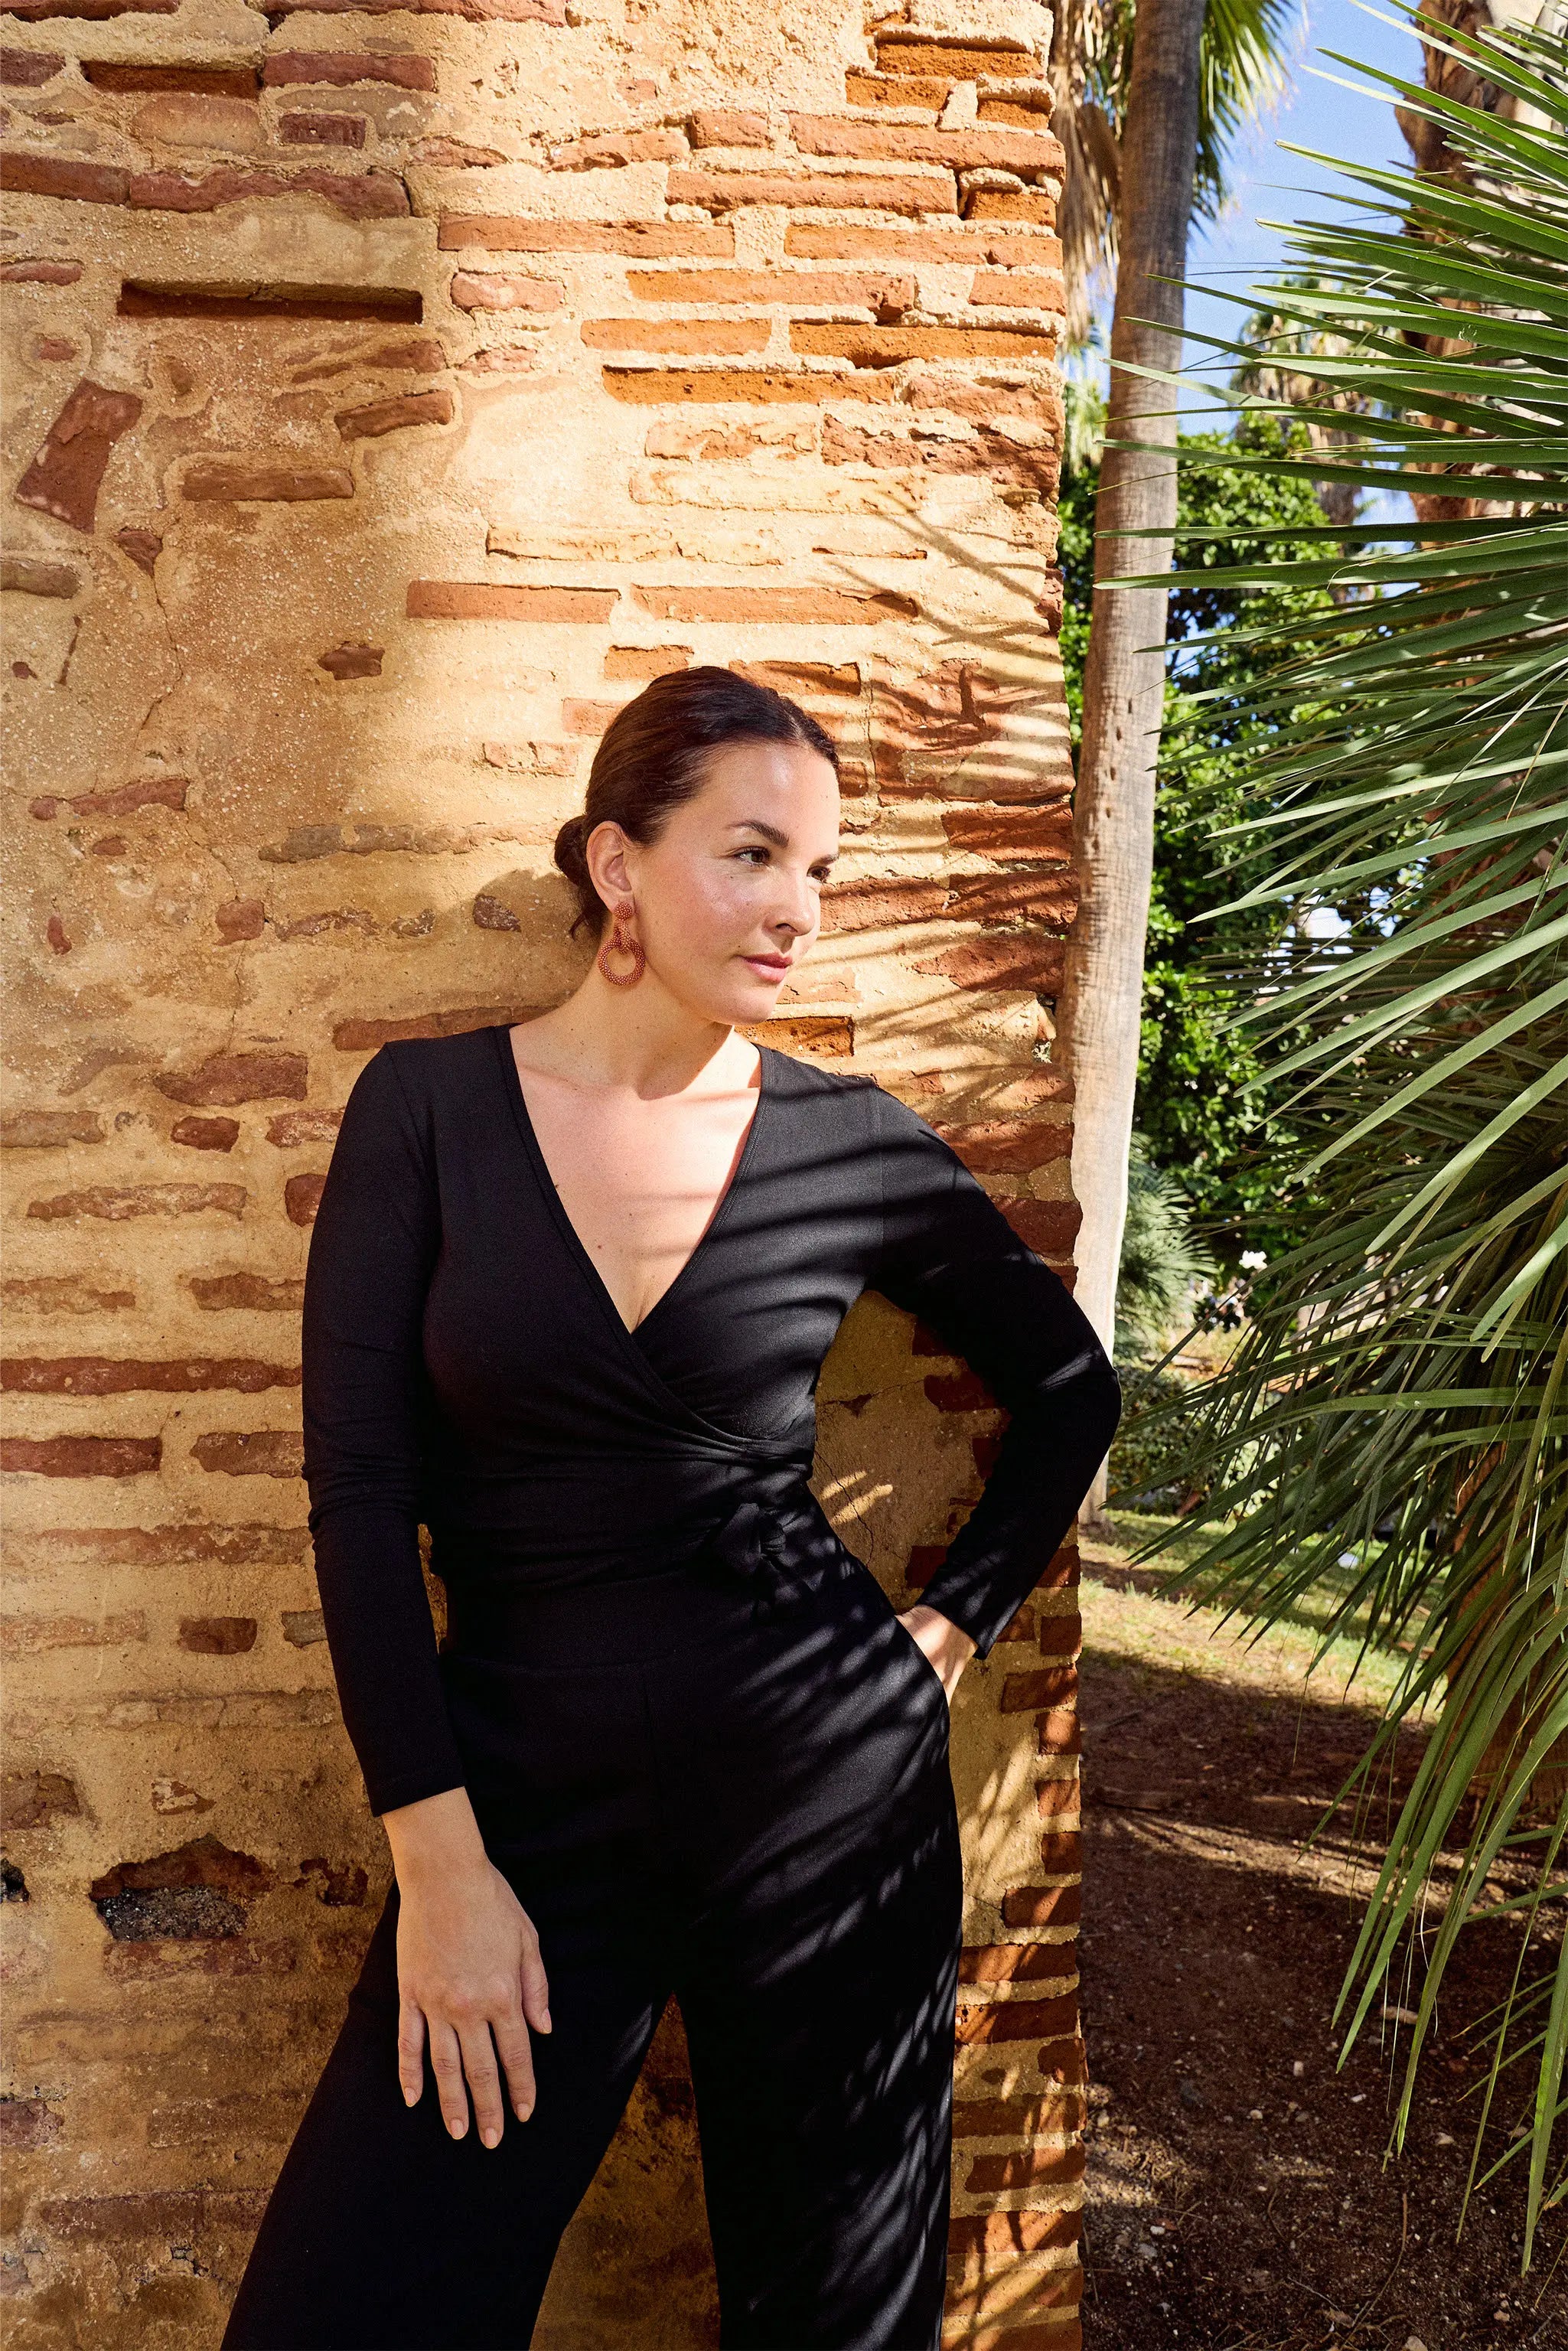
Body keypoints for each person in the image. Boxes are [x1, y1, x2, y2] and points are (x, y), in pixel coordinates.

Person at [220, 666, 1120, 2351]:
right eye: (752, 855)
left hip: (826, 1800)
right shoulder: (426, 1113)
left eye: (821, 871)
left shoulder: (847, 1144)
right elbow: (359, 1497)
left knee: (833, 2326)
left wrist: (937, 1640)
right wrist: (438, 1860)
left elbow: (1070, 1387)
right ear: (616, 864)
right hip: (520, 1816)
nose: (797, 910)